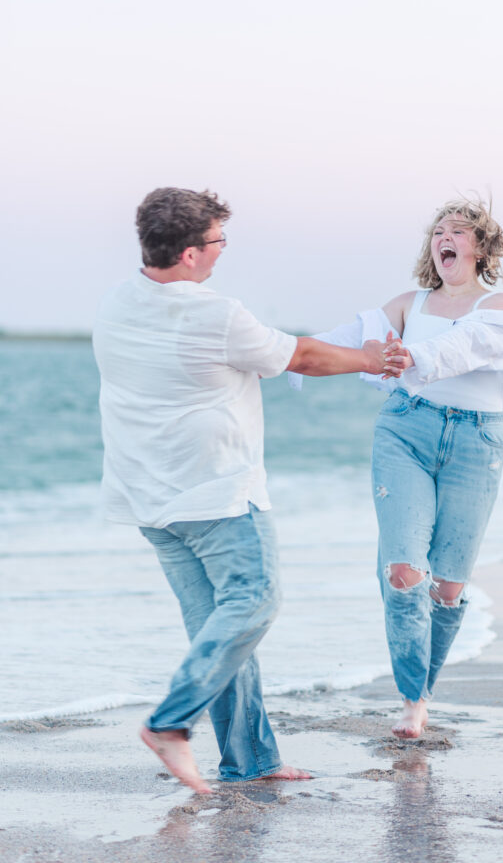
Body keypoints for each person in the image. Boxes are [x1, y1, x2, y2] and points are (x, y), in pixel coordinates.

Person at [92, 187, 407, 795]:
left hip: (148, 503)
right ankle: (170, 723)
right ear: (188, 253)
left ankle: (251, 760)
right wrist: (369, 358)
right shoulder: (215, 314)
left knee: (219, 628)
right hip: (217, 497)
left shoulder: (115, 305)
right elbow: (304, 357)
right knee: (254, 603)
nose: (220, 252)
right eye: (216, 241)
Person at [301, 198, 503, 738]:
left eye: (458, 231)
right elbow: (347, 338)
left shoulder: (501, 304)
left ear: (481, 247)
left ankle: (421, 689)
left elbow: (474, 343)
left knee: (447, 587)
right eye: (437, 231)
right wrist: (279, 354)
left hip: (478, 440)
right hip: (406, 428)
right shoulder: (411, 302)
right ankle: (412, 702)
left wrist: (417, 358)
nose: (444, 238)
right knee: (404, 571)